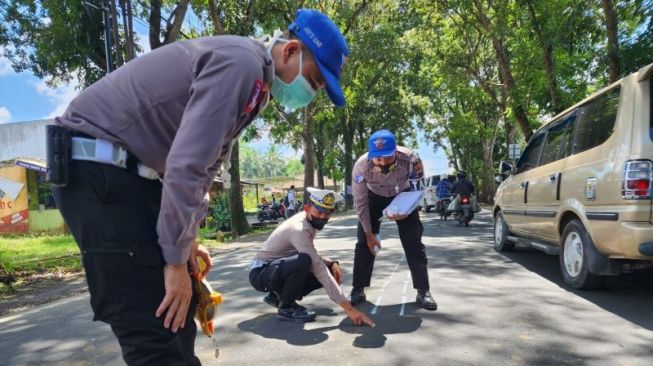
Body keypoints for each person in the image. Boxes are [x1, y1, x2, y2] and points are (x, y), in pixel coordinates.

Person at [49, 9, 349, 365]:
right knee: (154, 327)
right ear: (291, 51)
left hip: (132, 178)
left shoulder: (258, 87)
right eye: (314, 81)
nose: (311, 93)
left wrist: (186, 240)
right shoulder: (242, 65)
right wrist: (174, 262)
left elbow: (206, 166)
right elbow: (187, 165)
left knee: (180, 314)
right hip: (100, 173)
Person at [249, 187, 375, 326]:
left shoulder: (308, 222)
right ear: (307, 208)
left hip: (275, 269)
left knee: (324, 266)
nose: (323, 217)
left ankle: (277, 296)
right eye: (319, 211)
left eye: (328, 213)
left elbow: (315, 257)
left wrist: (333, 263)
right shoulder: (299, 228)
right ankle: (286, 307)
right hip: (261, 273)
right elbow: (316, 265)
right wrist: (350, 310)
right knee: (305, 261)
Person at [349, 130, 438, 311]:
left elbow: (416, 191)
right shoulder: (361, 166)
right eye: (378, 159)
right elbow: (360, 202)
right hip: (374, 197)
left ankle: (423, 290)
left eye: (387, 158)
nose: (382, 163)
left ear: (396, 152)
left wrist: (406, 211)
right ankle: (358, 289)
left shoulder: (412, 160)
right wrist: (369, 233)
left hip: (404, 195)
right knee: (364, 243)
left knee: (413, 241)